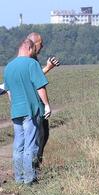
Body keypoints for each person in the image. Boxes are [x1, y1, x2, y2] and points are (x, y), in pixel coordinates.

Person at [3, 38, 51, 185]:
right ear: (30, 48)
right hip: (31, 110)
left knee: (18, 145)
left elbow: (9, 92)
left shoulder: (8, 67)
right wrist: (47, 105)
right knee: (31, 145)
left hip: (16, 111)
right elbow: (40, 87)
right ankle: (30, 179)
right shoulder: (32, 64)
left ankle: (18, 178)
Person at [27, 32, 60, 165]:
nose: (42, 47)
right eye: (41, 44)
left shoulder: (33, 59)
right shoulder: (29, 60)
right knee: (38, 136)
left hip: (36, 104)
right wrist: (48, 67)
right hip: (33, 104)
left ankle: (36, 165)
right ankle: (33, 167)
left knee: (44, 134)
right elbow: (32, 80)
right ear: (34, 44)